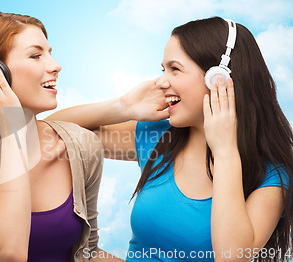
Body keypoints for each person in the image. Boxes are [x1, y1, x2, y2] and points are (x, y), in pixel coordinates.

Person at [47, 17, 293, 262]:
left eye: (175, 69)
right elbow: (52, 132)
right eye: (163, 69)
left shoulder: (271, 175)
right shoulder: (157, 137)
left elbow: (231, 256)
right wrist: (122, 106)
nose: (162, 81)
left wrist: (225, 151)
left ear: (218, 78)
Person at [0, 11, 122, 262]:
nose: (55, 65)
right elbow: (9, 252)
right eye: (36, 55)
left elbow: (87, 253)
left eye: (50, 53)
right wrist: (12, 133)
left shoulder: (82, 146)